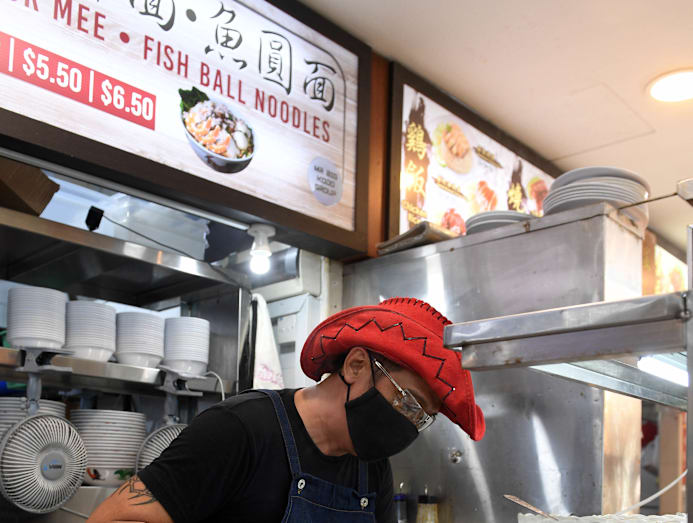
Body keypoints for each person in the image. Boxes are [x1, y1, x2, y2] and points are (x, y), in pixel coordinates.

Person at [87, 297, 485, 523]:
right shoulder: (239, 430)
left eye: (423, 417)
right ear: (356, 366)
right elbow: (114, 518)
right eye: (408, 402)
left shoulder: (371, 470)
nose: (410, 424)